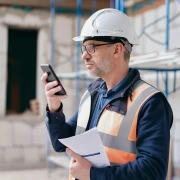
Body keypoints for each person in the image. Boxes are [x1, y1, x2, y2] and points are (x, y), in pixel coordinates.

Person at [41, 8, 173, 180]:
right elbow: (61, 144)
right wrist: (54, 108)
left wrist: (92, 174)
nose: (84, 56)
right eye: (84, 48)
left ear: (117, 50)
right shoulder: (93, 93)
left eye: (92, 47)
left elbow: (153, 171)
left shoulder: (150, 102)